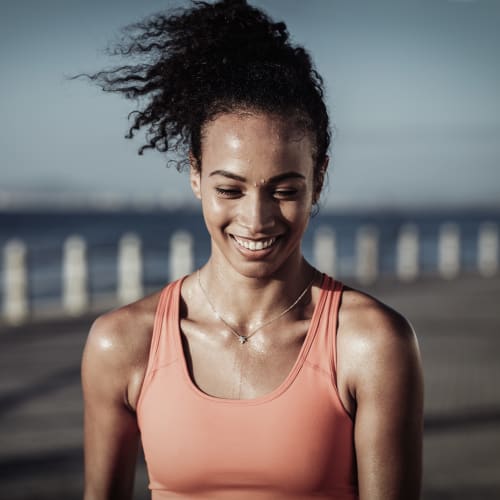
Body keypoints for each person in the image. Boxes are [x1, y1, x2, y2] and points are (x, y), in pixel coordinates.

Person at [81, 1, 423, 499]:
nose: (256, 219)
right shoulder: (122, 343)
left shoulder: (371, 344)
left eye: (284, 190)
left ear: (319, 179)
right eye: (230, 190)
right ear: (195, 173)